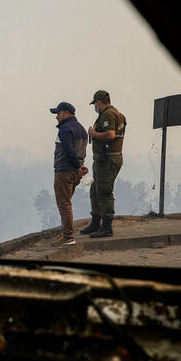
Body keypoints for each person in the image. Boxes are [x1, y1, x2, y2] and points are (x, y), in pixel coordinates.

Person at [81, 90, 126, 238]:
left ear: (99, 103)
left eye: (95, 104)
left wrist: (93, 134)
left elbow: (110, 135)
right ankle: (95, 222)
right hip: (104, 159)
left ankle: (106, 227)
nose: (95, 107)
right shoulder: (113, 114)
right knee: (95, 190)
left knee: (104, 192)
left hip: (107, 159)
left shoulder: (108, 114)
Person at [49, 101, 88, 246]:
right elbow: (81, 152)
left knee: (64, 203)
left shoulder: (64, 129)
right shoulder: (82, 129)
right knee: (67, 202)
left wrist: (77, 166)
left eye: (58, 113)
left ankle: (68, 236)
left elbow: (68, 150)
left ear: (66, 113)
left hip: (65, 170)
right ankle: (66, 233)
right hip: (76, 172)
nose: (56, 117)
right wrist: (81, 166)